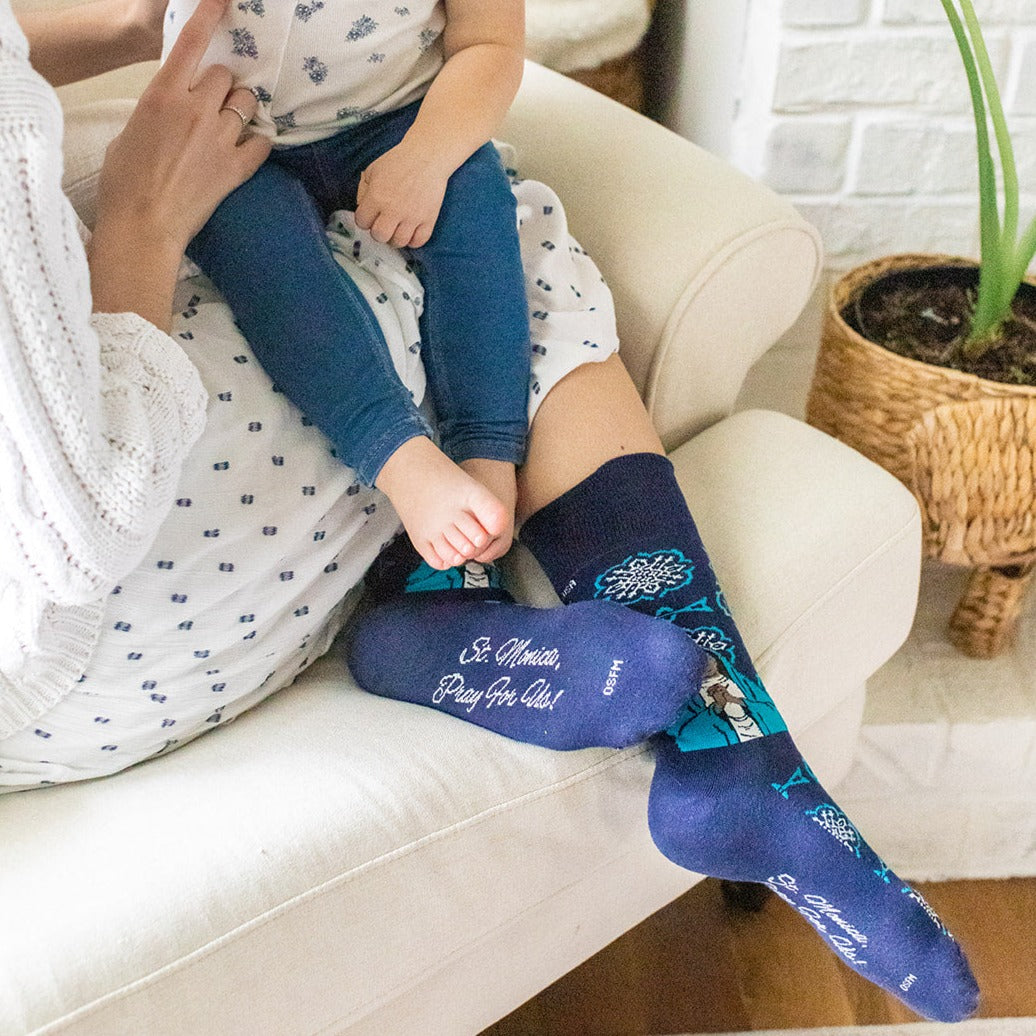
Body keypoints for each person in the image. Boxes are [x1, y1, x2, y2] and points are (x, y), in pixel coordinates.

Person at [0, 0, 979, 1022]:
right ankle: (726, 748)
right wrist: (141, 219)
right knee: (503, 242)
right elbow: (79, 526)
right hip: (82, 617)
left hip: (56, 600)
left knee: (463, 200)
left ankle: (452, 606)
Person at [164, 0, 531, 574]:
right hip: (233, 141)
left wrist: (429, 156)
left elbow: (492, 45)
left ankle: (486, 449)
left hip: (403, 117)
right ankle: (398, 457)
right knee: (263, 259)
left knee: (476, 205)